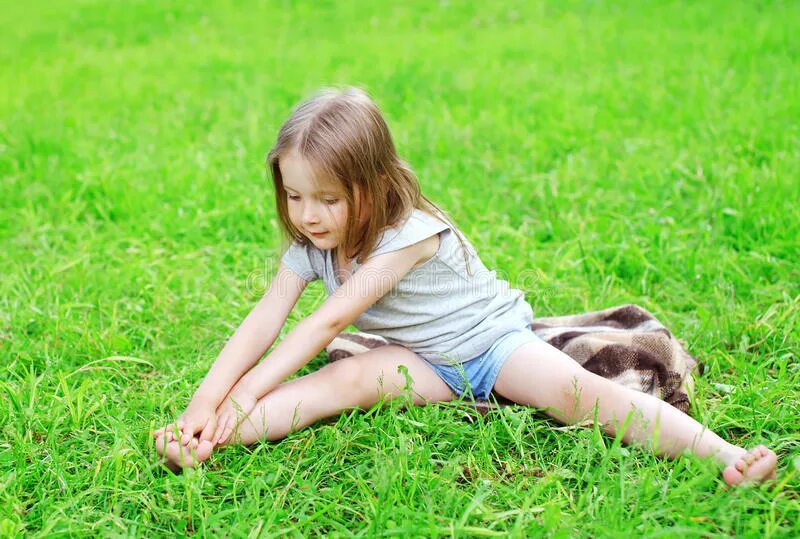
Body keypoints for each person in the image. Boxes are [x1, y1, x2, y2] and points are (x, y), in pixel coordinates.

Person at [152, 87, 776, 485]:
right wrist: (204, 405)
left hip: (488, 344)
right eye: (293, 195)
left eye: (327, 199)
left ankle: (721, 456)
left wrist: (239, 394)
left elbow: (326, 324)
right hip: (420, 360)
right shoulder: (312, 241)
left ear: (372, 186)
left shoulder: (411, 233)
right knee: (333, 384)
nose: (307, 214)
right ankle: (203, 443)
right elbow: (266, 318)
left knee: (578, 393)